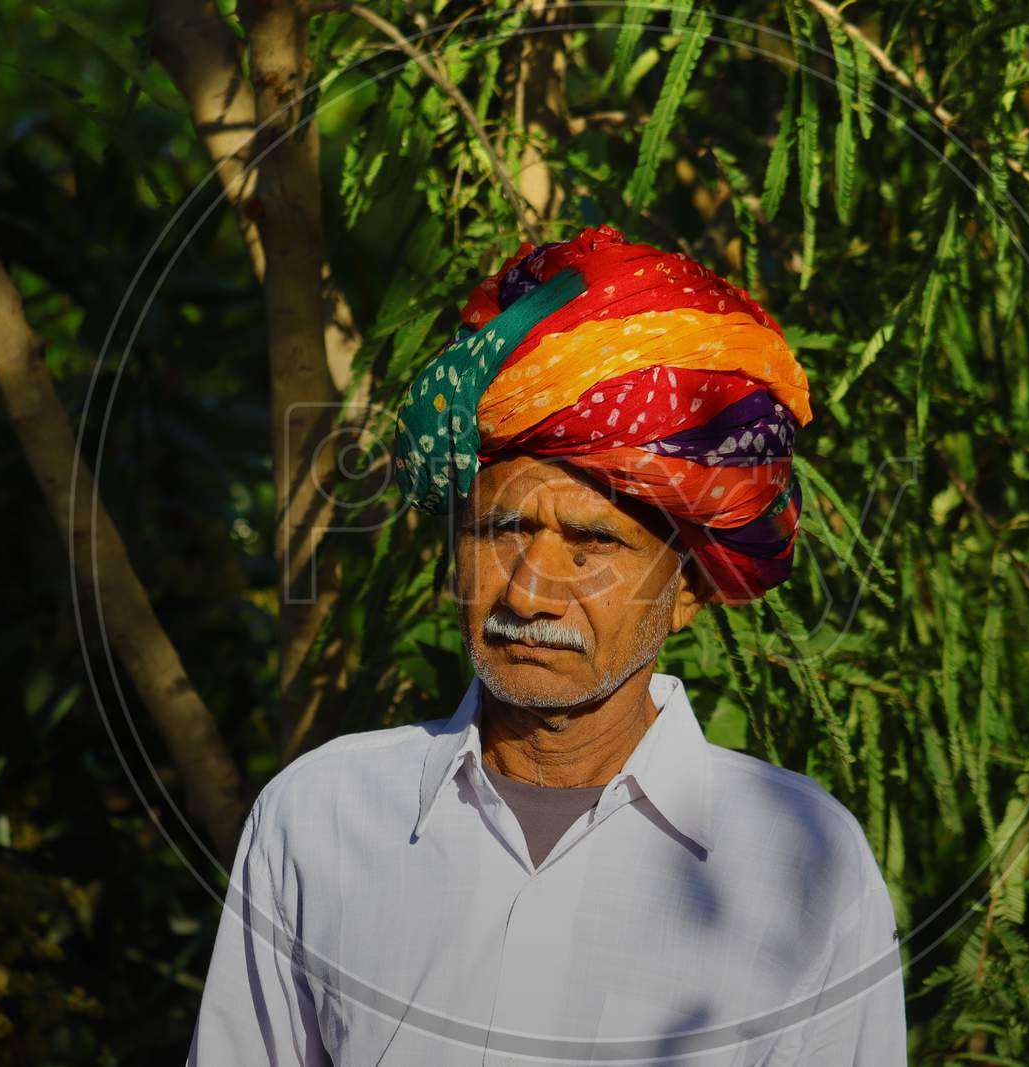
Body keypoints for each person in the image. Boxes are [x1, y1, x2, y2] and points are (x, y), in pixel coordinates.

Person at [187, 225, 907, 1065]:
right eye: (501, 529)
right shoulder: (318, 819)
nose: (528, 589)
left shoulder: (802, 866)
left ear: (690, 592)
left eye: (592, 544)